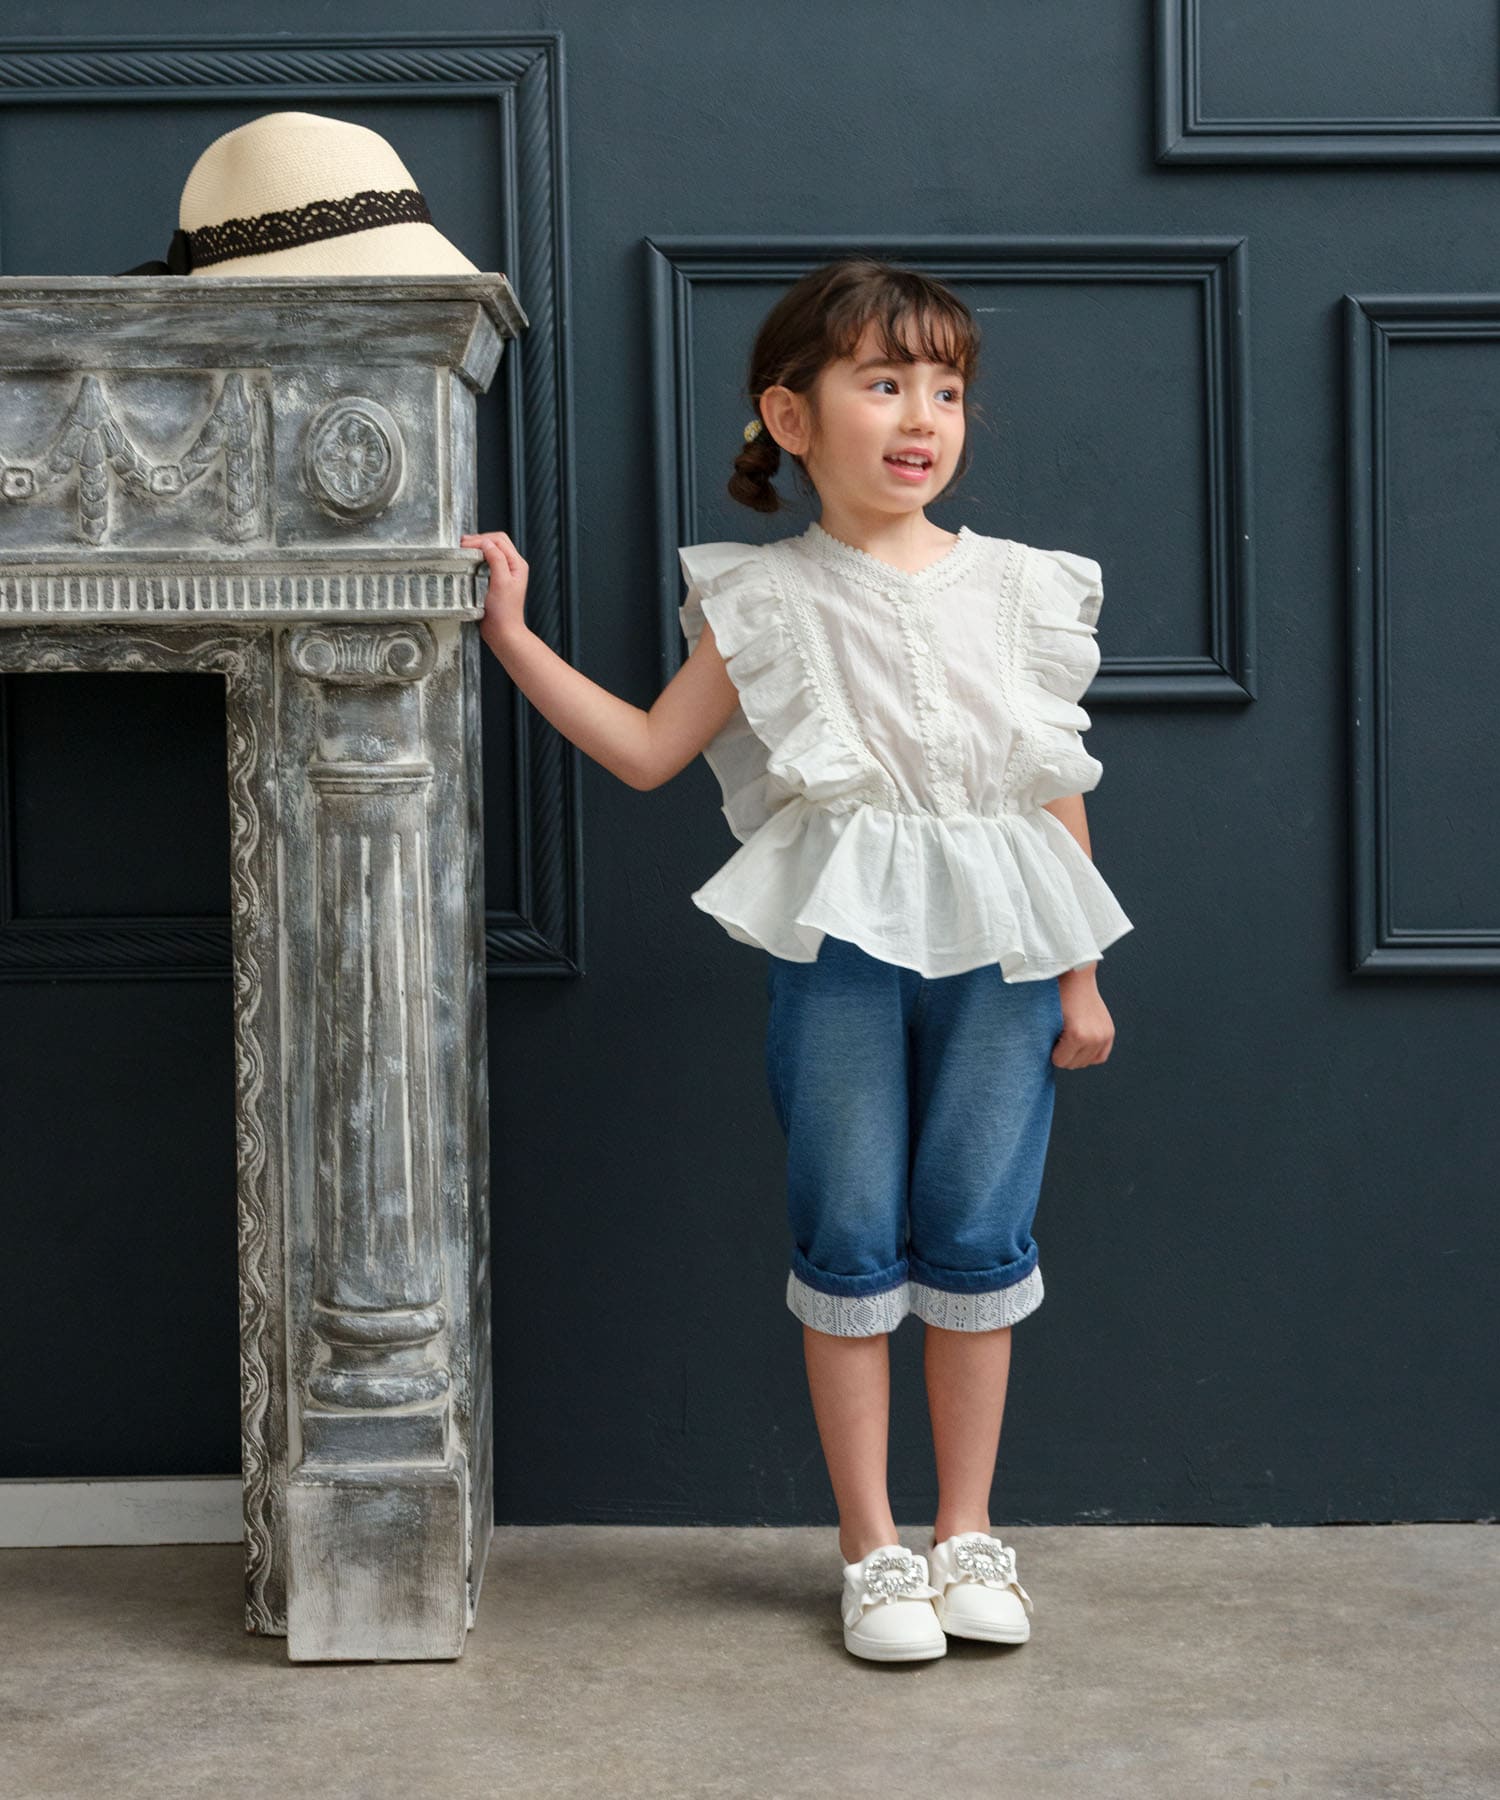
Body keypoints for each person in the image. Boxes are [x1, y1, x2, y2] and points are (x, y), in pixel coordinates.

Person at [462, 256, 1134, 1665]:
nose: (922, 415)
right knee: (848, 1229)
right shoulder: (764, 599)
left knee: (981, 1230)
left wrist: (1081, 974)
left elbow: (1050, 785)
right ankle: (871, 1547)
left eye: (946, 389)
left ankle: (966, 1531)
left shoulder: (1021, 588)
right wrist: (512, 639)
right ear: (791, 414)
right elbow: (649, 749)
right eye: (883, 383)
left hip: (1010, 957)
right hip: (841, 955)